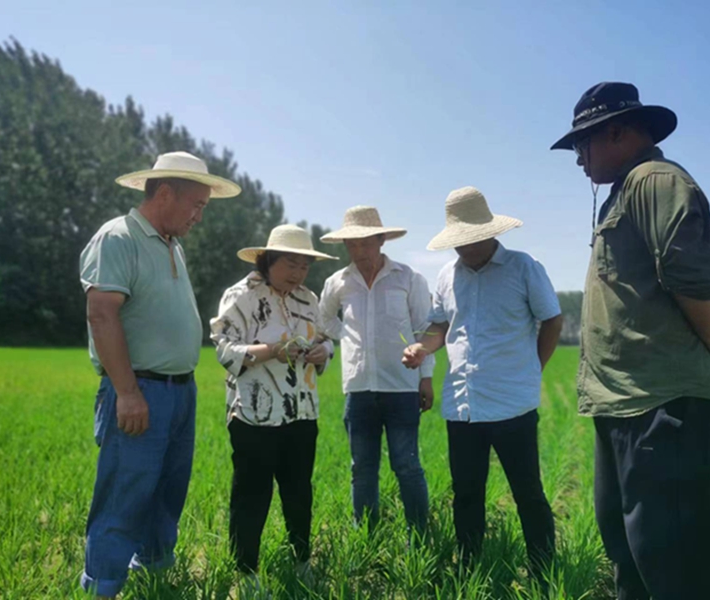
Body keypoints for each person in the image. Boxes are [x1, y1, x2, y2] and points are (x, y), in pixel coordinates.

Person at [550, 81, 710, 600]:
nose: (579, 159)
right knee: (630, 552)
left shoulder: (655, 180)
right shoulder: (624, 190)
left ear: (617, 133)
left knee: (674, 565)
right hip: (623, 401)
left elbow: (690, 273)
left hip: (661, 402)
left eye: (582, 144)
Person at [79, 151, 241, 598]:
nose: (199, 216)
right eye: (197, 205)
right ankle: (102, 584)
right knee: (125, 490)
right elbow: (101, 315)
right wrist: (127, 393)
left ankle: (153, 570)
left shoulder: (172, 245)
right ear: (165, 193)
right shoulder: (118, 238)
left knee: (168, 486)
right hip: (140, 388)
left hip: (179, 390)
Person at [402, 187, 563, 580]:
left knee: (528, 492)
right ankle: (469, 567)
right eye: (458, 242)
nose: (465, 248)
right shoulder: (447, 275)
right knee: (467, 493)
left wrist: (533, 368)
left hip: (513, 403)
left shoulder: (523, 268)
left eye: (471, 240)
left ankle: (544, 570)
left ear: (490, 232)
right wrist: (422, 348)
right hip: (463, 405)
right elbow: (440, 326)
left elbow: (552, 320)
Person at [209, 224, 337, 595]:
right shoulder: (241, 296)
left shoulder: (308, 299)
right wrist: (271, 351)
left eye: (304, 266)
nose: (298, 273)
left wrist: (323, 352)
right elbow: (224, 349)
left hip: (301, 413)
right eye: (290, 264)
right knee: (251, 495)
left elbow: (324, 340)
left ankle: (302, 562)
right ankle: (246, 573)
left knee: (299, 493)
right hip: (254, 416)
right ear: (267, 261)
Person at [318, 206, 434, 537]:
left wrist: (426, 377)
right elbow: (323, 318)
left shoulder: (408, 278)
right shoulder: (338, 282)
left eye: (365, 242)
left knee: (407, 465)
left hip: (401, 388)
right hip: (358, 389)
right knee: (362, 468)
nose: (359, 250)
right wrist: (347, 335)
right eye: (352, 244)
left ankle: (419, 536)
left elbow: (424, 329)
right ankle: (366, 536)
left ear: (381, 240)